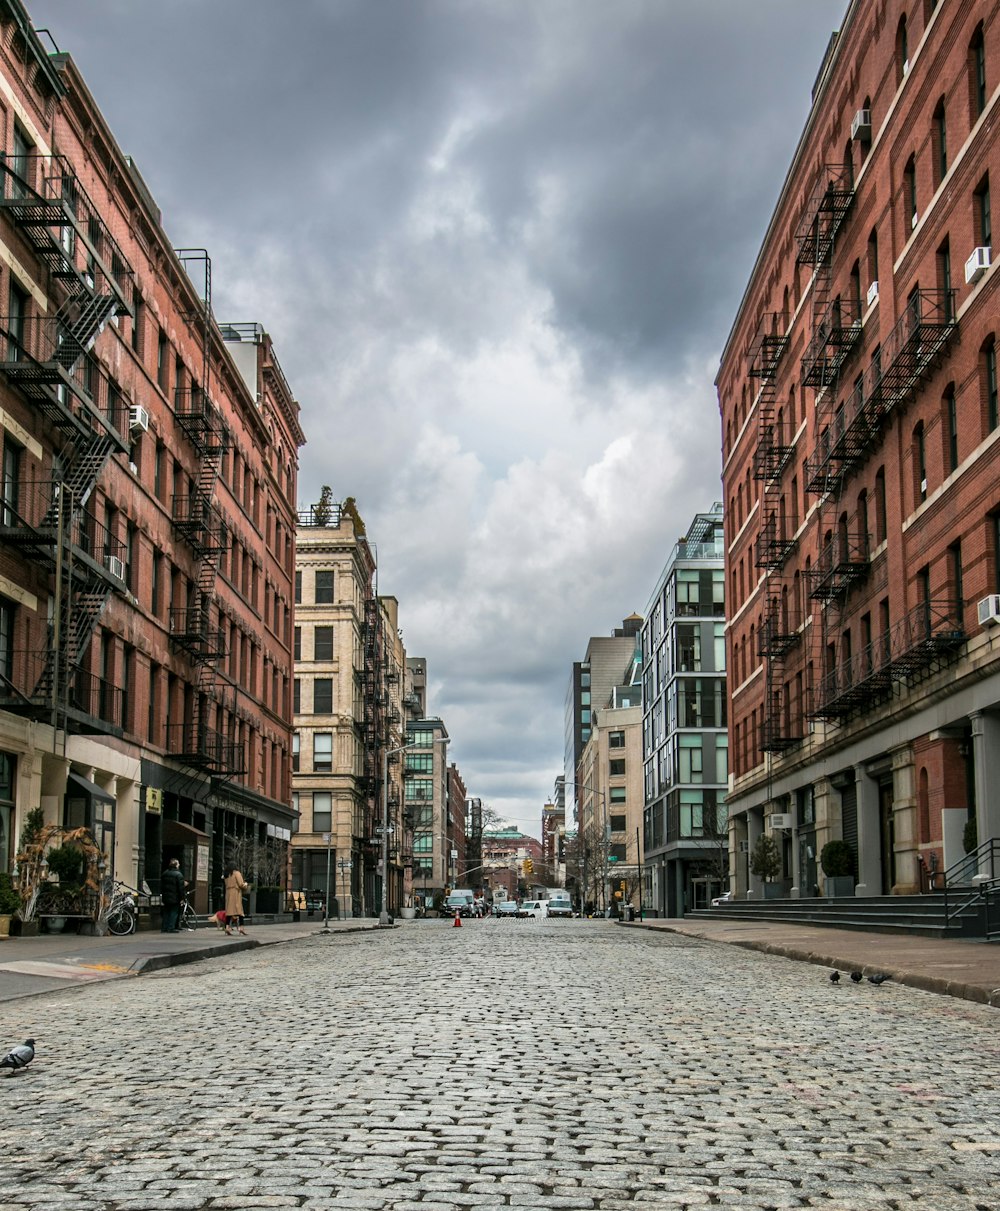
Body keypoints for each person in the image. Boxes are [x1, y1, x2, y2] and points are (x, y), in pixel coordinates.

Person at [160, 859, 187, 933]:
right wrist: (182, 898)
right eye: (178, 864)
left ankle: (164, 927)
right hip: (175, 896)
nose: (179, 865)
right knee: (174, 912)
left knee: (166, 912)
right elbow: (180, 888)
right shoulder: (178, 874)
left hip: (166, 896)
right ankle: (171, 927)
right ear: (176, 865)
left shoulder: (165, 873)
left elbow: (162, 885)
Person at [224, 866, 249, 935]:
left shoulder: (226, 875)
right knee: (240, 912)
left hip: (228, 893)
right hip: (235, 893)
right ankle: (241, 928)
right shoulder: (236, 873)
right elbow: (241, 884)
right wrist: (246, 884)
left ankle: (227, 927)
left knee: (229, 912)